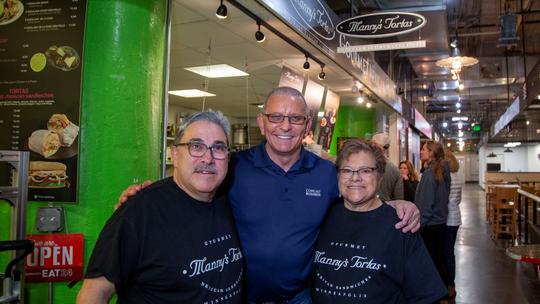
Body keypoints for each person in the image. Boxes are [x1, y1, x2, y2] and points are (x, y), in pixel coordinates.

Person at [117, 87, 420, 303]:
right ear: (262, 123)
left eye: (295, 119)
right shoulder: (233, 167)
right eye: (275, 117)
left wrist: (394, 204)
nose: (285, 126)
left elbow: (358, 201)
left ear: (307, 126)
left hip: (302, 297)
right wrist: (148, 197)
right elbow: (192, 184)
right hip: (239, 295)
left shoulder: (327, 174)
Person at [77, 111, 244, 304]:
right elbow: (93, 293)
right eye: (196, 146)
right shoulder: (139, 210)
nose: (208, 158)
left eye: (218, 148)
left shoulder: (230, 199)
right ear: (174, 153)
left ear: (228, 158)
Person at [312, 139, 446, 303]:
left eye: (365, 171)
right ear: (338, 175)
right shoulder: (321, 216)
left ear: (380, 175)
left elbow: (425, 295)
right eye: (347, 170)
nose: (355, 178)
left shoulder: (401, 224)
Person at [414, 140, 451, 300]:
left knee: (432, 261)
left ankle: (437, 294)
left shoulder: (430, 174)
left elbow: (426, 203)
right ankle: (445, 288)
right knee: (439, 258)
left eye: (423, 149)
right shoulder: (443, 170)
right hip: (440, 222)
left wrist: (419, 225)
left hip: (429, 225)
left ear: (431, 153)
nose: (421, 151)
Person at [443, 149, 462, 299]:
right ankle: (451, 283)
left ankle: (448, 283)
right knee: (450, 252)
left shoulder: (446, 177)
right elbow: (458, 199)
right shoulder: (457, 176)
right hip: (455, 217)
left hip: (446, 218)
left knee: (446, 253)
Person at [371, 133, 404, 201]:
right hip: (387, 208)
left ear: (373, 144)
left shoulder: (364, 166)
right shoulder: (395, 170)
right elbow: (399, 199)